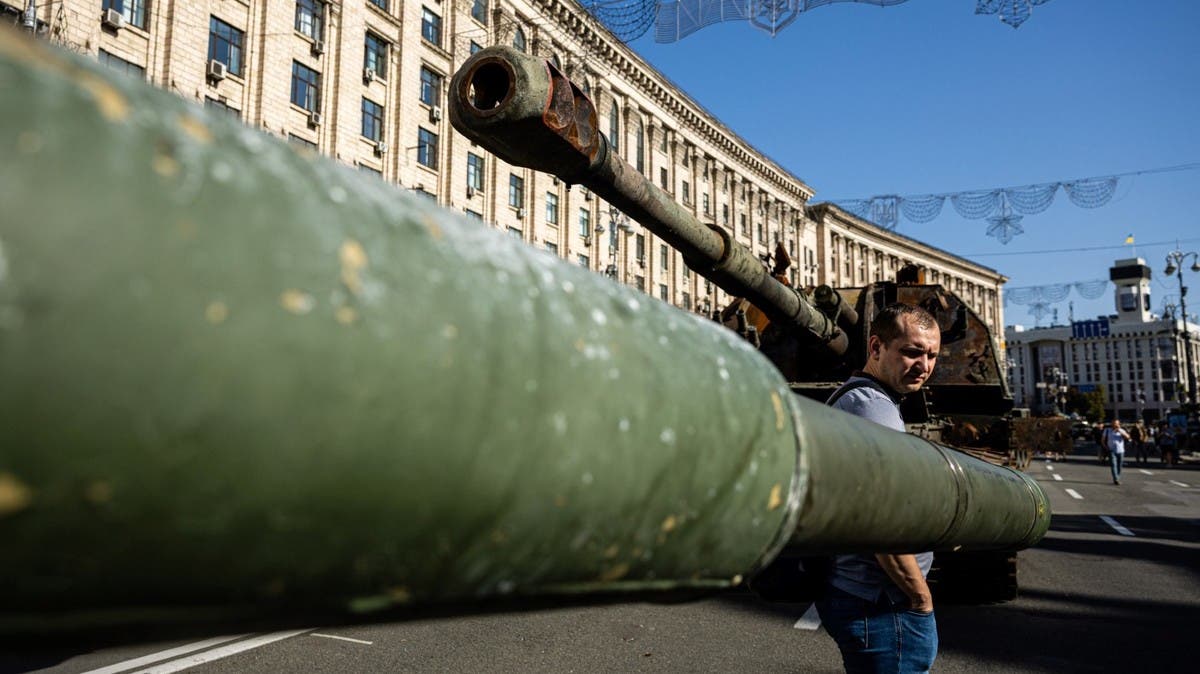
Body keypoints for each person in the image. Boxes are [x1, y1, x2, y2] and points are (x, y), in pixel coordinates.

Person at [816, 303, 941, 673]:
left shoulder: (868, 400)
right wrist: (920, 598)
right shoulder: (873, 409)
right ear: (875, 348)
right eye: (912, 351)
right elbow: (882, 524)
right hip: (883, 604)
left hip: (868, 597)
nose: (924, 365)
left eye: (932, 354)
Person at [1101, 419, 1131, 484]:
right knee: (1113, 464)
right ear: (1112, 424)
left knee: (1119, 465)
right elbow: (1103, 440)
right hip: (1111, 450)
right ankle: (1116, 479)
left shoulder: (1122, 430)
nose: (1115, 425)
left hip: (1121, 450)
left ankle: (1118, 477)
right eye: (1114, 423)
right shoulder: (1107, 430)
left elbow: (1128, 437)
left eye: (1116, 423)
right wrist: (1106, 447)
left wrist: (1120, 431)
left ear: (1119, 424)